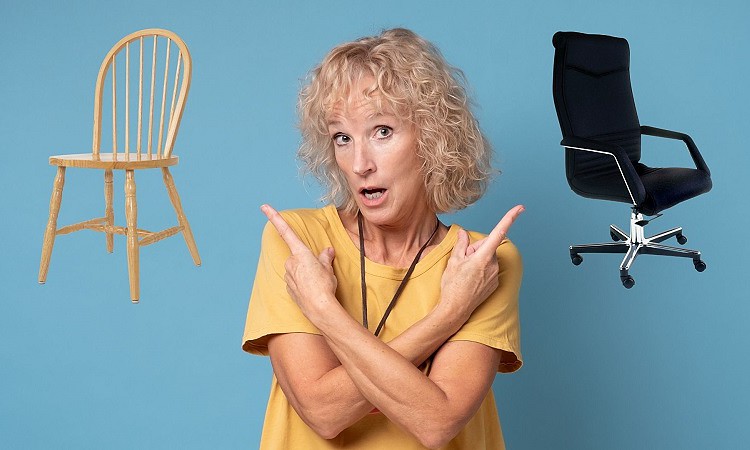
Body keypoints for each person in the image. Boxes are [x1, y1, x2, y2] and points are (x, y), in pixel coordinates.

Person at [242, 28, 524, 449]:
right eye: (343, 137)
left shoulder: (481, 262)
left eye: (382, 131)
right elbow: (322, 411)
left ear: (433, 139)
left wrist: (322, 309)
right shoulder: (298, 241)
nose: (359, 164)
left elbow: (437, 422)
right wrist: (449, 315)